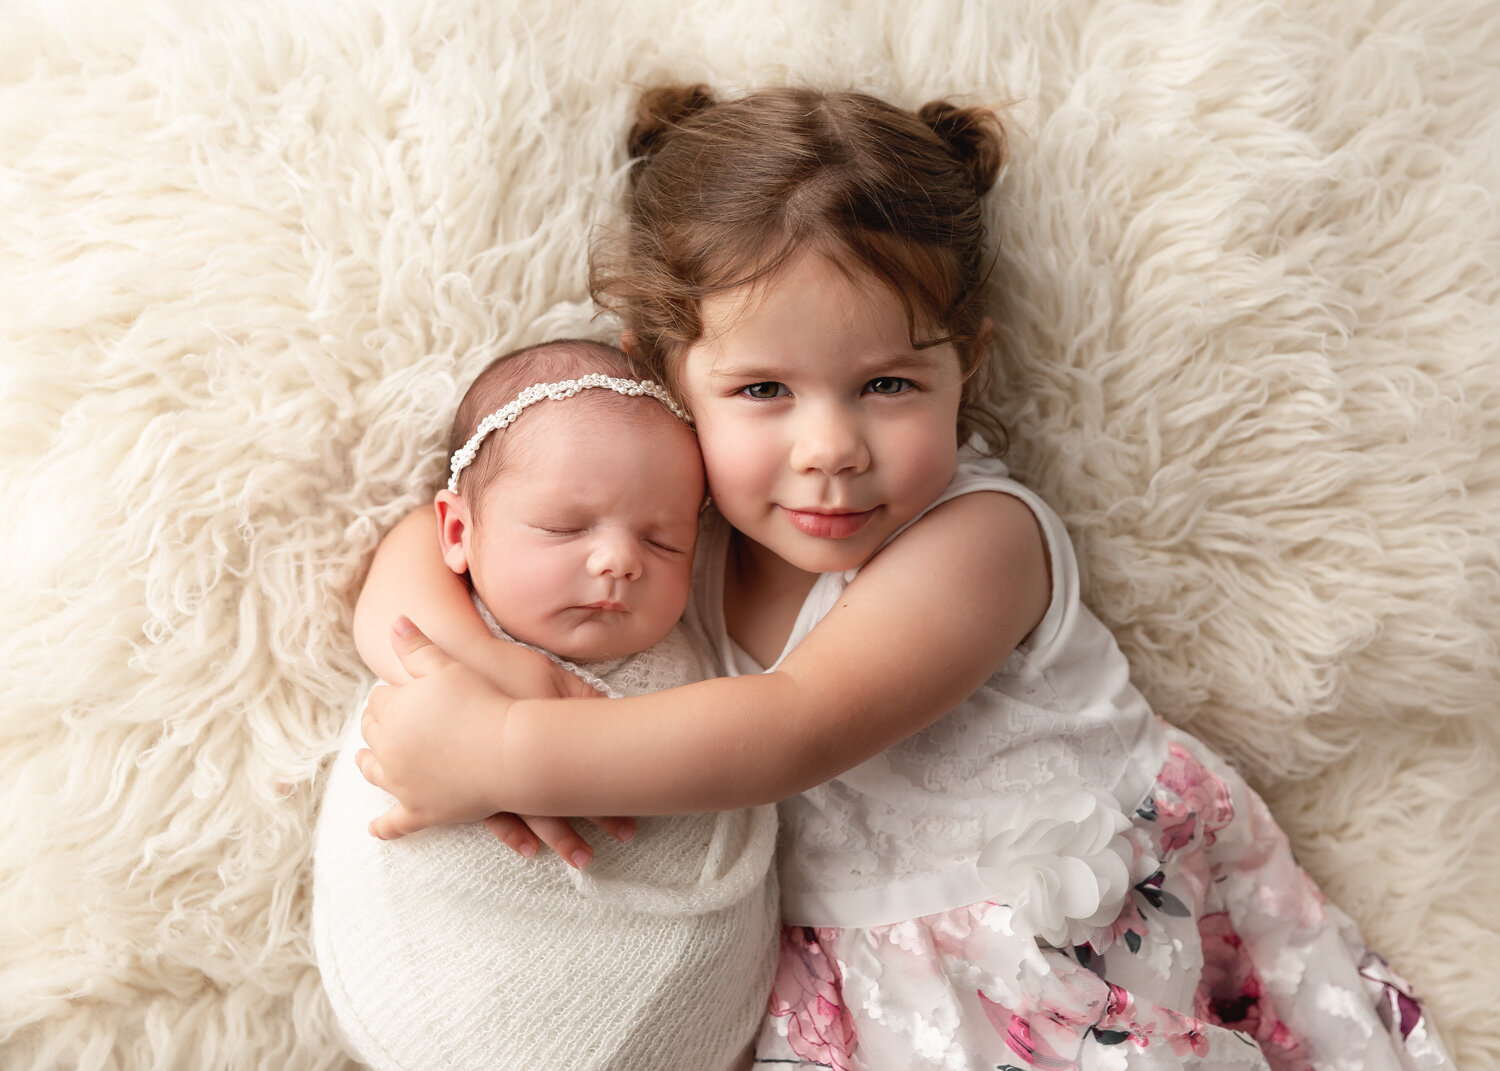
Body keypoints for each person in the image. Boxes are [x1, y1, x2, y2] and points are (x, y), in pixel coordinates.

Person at [351, 88, 1454, 1071]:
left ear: (962, 365)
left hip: (1057, 964)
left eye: (885, 381)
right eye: (765, 390)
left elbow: (797, 723)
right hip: (846, 997)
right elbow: (427, 542)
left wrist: (499, 750)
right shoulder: (677, 533)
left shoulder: (980, 540)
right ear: (668, 376)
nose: (830, 447)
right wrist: (481, 663)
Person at [314, 338, 778, 1071]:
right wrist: (487, 656)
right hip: (461, 955)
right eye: (566, 527)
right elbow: (396, 603)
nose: (620, 560)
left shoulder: (690, 638)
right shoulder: (448, 622)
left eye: (664, 541)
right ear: (461, 532)